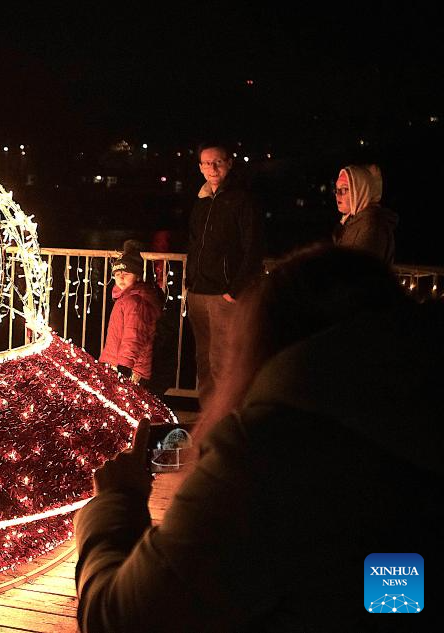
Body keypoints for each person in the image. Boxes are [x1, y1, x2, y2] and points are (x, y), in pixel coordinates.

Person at [75, 246, 441, 632]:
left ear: (264, 343)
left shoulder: (263, 457)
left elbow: (118, 618)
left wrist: (116, 503)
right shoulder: (415, 425)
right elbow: (388, 595)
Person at [186, 142, 263, 408]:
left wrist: (234, 290)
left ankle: (226, 416)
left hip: (223, 294)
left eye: (217, 162)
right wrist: (189, 282)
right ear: (200, 167)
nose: (212, 168)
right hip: (197, 292)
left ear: (229, 163)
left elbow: (253, 247)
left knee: (223, 361)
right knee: (203, 361)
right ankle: (209, 415)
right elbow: (195, 243)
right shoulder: (201, 201)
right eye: (206, 163)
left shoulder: (241, 200)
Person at [99, 241, 162, 388]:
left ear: (137, 277)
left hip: (131, 370)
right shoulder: (125, 299)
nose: (121, 278)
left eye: (126, 274)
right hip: (119, 364)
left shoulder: (135, 302)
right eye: (117, 274)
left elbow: (134, 336)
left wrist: (124, 367)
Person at [333, 164, 397, 264]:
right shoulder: (352, 222)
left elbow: (361, 270)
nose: (338, 195)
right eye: (336, 190)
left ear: (360, 191)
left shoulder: (371, 225)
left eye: (344, 189)